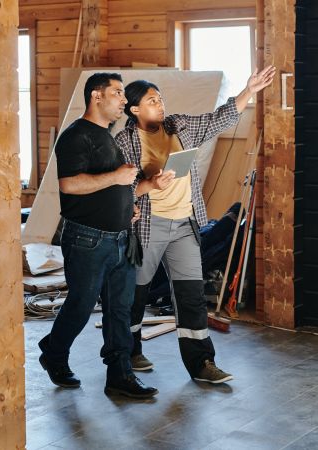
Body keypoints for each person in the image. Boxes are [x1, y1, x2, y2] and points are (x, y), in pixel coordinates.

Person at [115, 66, 276, 383]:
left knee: (190, 295)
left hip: (184, 224)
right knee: (135, 293)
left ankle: (202, 363)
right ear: (134, 110)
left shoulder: (179, 126)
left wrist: (249, 90)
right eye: (151, 101)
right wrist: (150, 184)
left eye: (160, 99)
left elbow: (220, 118)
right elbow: (117, 189)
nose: (160, 105)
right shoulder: (124, 142)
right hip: (148, 227)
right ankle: (128, 351)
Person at [38, 72, 158, 399]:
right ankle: (54, 353)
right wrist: (118, 177)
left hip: (121, 237)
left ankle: (119, 375)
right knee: (81, 304)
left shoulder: (108, 135)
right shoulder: (76, 136)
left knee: (120, 308)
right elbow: (70, 184)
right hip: (87, 239)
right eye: (117, 93)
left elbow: (113, 187)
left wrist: (129, 204)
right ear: (96, 96)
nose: (123, 100)